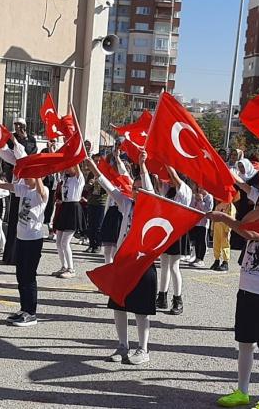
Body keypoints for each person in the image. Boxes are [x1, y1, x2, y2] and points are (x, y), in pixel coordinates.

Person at [210, 187, 259, 409]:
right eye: (258, 205)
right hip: (246, 292)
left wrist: (225, 218)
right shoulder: (255, 219)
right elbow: (246, 222)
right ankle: (242, 391)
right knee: (244, 345)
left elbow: (248, 232)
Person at [102, 148, 157, 366]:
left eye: (140, 189)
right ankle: (122, 346)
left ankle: (143, 348)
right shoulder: (127, 206)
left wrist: (143, 165)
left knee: (141, 310)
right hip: (123, 262)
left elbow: (150, 190)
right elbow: (111, 189)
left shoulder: (152, 208)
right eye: (134, 189)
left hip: (142, 263)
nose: (137, 192)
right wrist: (94, 168)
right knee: (118, 306)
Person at [0, 167, 49, 328]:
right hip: (21, 238)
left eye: (29, 177)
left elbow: (41, 191)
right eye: (25, 177)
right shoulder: (23, 189)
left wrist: (36, 173)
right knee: (20, 275)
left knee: (29, 276)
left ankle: (31, 313)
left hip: (33, 240)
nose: (25, 180)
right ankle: (24, 309)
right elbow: (0, 184)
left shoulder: (42, 191)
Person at [156, 167, 195, 315]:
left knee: (174, 266)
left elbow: (174, 176)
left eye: (171, 179)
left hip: (178, 231)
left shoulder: (184, 190)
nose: (169, 180)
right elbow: (158, 180)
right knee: (164, 265)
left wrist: (166, 160)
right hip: (167, 229)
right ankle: (162, 297)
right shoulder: (168, 191)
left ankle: (178, 300)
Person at [51, 164, 85, 279]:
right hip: (64, 208)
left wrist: (74, 159)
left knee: (65, 242)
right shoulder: (65, 178)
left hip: (73, 208)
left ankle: (71, 268)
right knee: (59, 241)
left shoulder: (78, 179)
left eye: (69, 166)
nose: (66, 168)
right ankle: (64, 266)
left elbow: (76, 164)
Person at [189, 187, 213, 267]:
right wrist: (195, 201)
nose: (199, 189)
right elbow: (192, 207)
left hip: (203, 223)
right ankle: (196, 257)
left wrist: (201, 201)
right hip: (196, 223)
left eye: (202, 188)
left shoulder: (209, 197)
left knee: (202, 241)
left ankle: (201, 259)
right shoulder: (195, 196)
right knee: (196, 241)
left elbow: (207, 210)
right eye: (198, 187)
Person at [211, 197, 235, 271]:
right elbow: (214, 217)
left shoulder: (231, 206)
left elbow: (231, 218)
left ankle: (225, 262)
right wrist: (212, 228)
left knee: (225, 244)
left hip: (225, 229)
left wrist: (228, 229)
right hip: (217, 227)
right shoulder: (218, 206)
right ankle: (217, 260)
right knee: (216, 243)